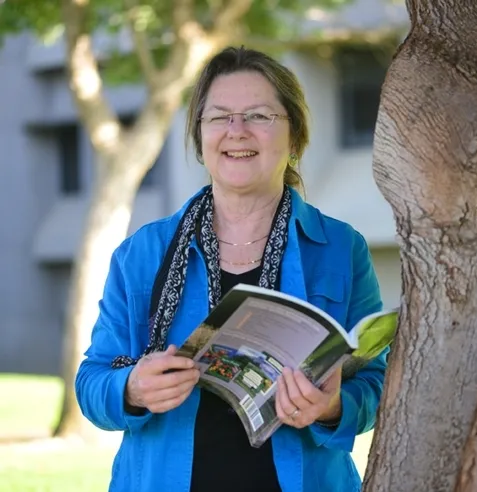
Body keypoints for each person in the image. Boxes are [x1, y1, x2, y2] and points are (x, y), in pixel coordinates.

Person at [75, 46, 388, 492]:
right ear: (201, 139)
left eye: (259, 116)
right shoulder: (142, 253)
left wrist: (336, 406)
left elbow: (377, 380)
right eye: (219, 117)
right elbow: (92, 381)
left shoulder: (341, 247)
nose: (237, 131)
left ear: (294, 136)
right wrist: (131, 389)